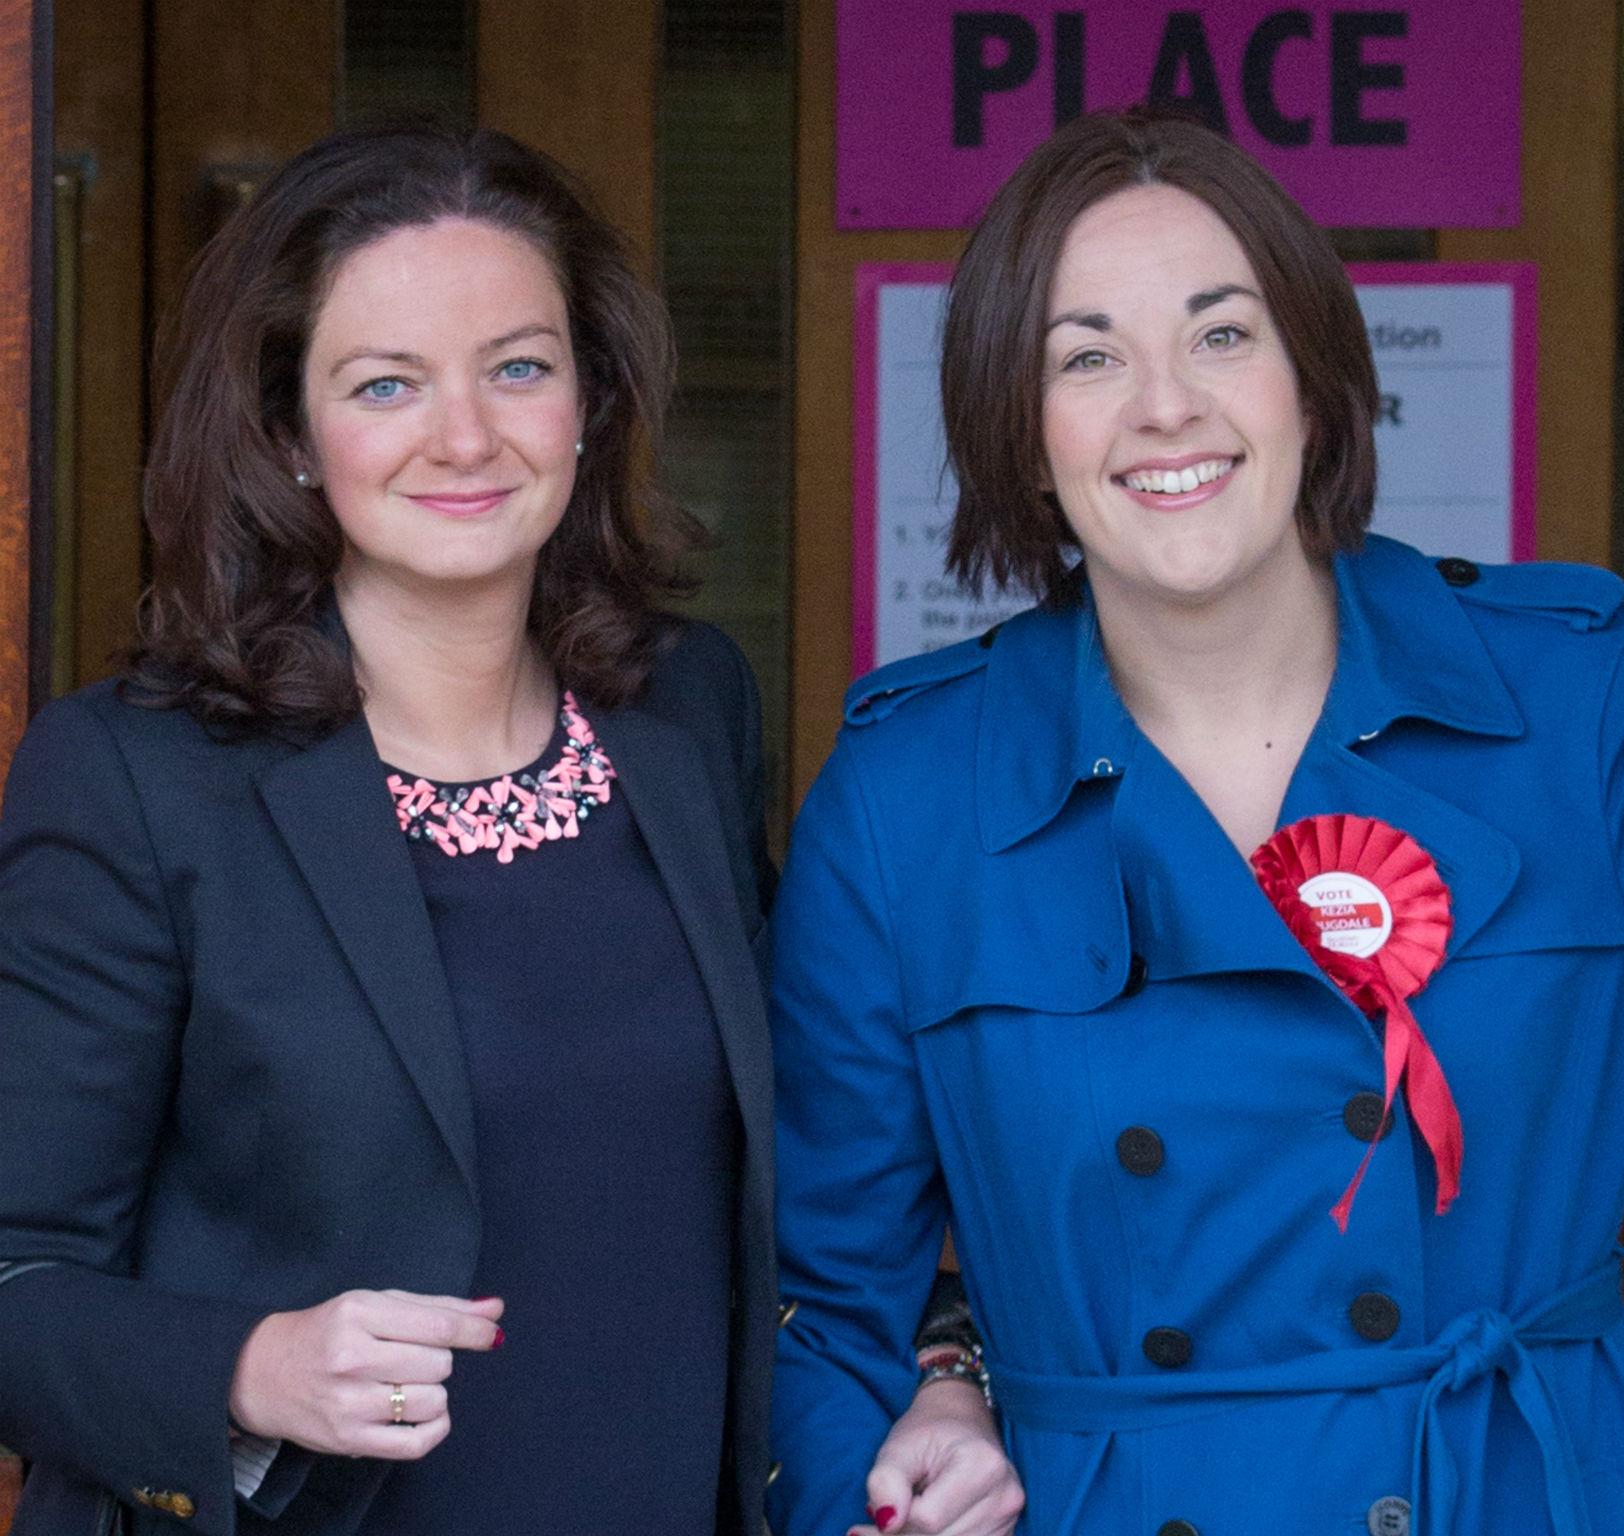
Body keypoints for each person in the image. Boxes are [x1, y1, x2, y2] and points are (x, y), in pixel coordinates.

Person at [765, 108, 1624, 1536]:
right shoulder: (907, 796)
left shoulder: (1571, 695)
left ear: (1314, 380)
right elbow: (831, 1307)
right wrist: (889, 1480)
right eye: (1087, 356)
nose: (1166, 404)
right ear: (1022, 425)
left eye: (1223, 333)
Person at [0, 124, 1014, 1536]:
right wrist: (247, 1366)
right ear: (289, 432)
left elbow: (811, 1166)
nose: (464, 435)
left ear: (591, 400)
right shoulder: (136, 774)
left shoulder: (685, 711)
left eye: (519, 367)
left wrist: (944, 1374)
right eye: (386, 384)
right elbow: (18, 1278)